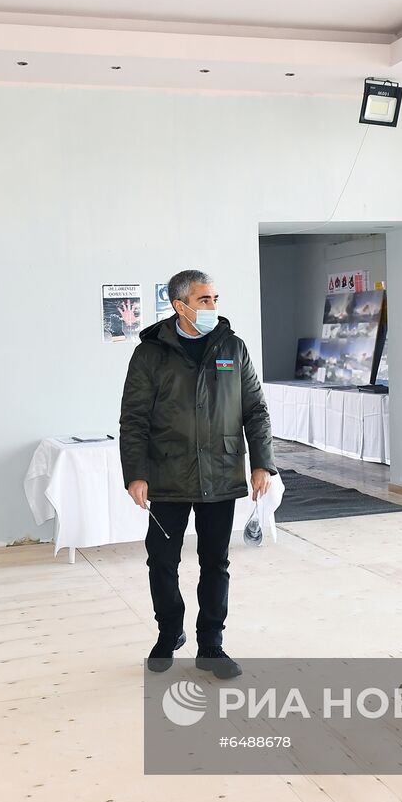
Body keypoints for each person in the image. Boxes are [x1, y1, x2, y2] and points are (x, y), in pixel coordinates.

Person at [119, 269, 276, 679]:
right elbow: (133, 419)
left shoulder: (232, 348)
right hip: (167, 476)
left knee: (215, 563)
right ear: (180, 305)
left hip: (220, 474)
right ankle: (169, 632)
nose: (213, 307)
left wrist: (262, 462)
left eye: (215, 299)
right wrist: (136, 473)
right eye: (205, 300)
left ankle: (211, 645)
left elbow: (255, 410)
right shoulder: (150, 354)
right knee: (162, 561)